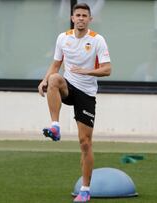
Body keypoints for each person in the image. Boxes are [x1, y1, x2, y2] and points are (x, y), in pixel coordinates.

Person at [37, 3, 111, 203]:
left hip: (86, 93)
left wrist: (87, 71)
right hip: (68, 86)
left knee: (85, 143)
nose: (80, 18)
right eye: (77, 15)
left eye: (84, 16)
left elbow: (107, 69)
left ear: (90, 19)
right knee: (54, 79)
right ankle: (55, 126)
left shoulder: (97, 40)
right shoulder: (63, 38)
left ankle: (85, 190)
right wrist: (44, 80)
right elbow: (56, 64)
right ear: (72, 18)